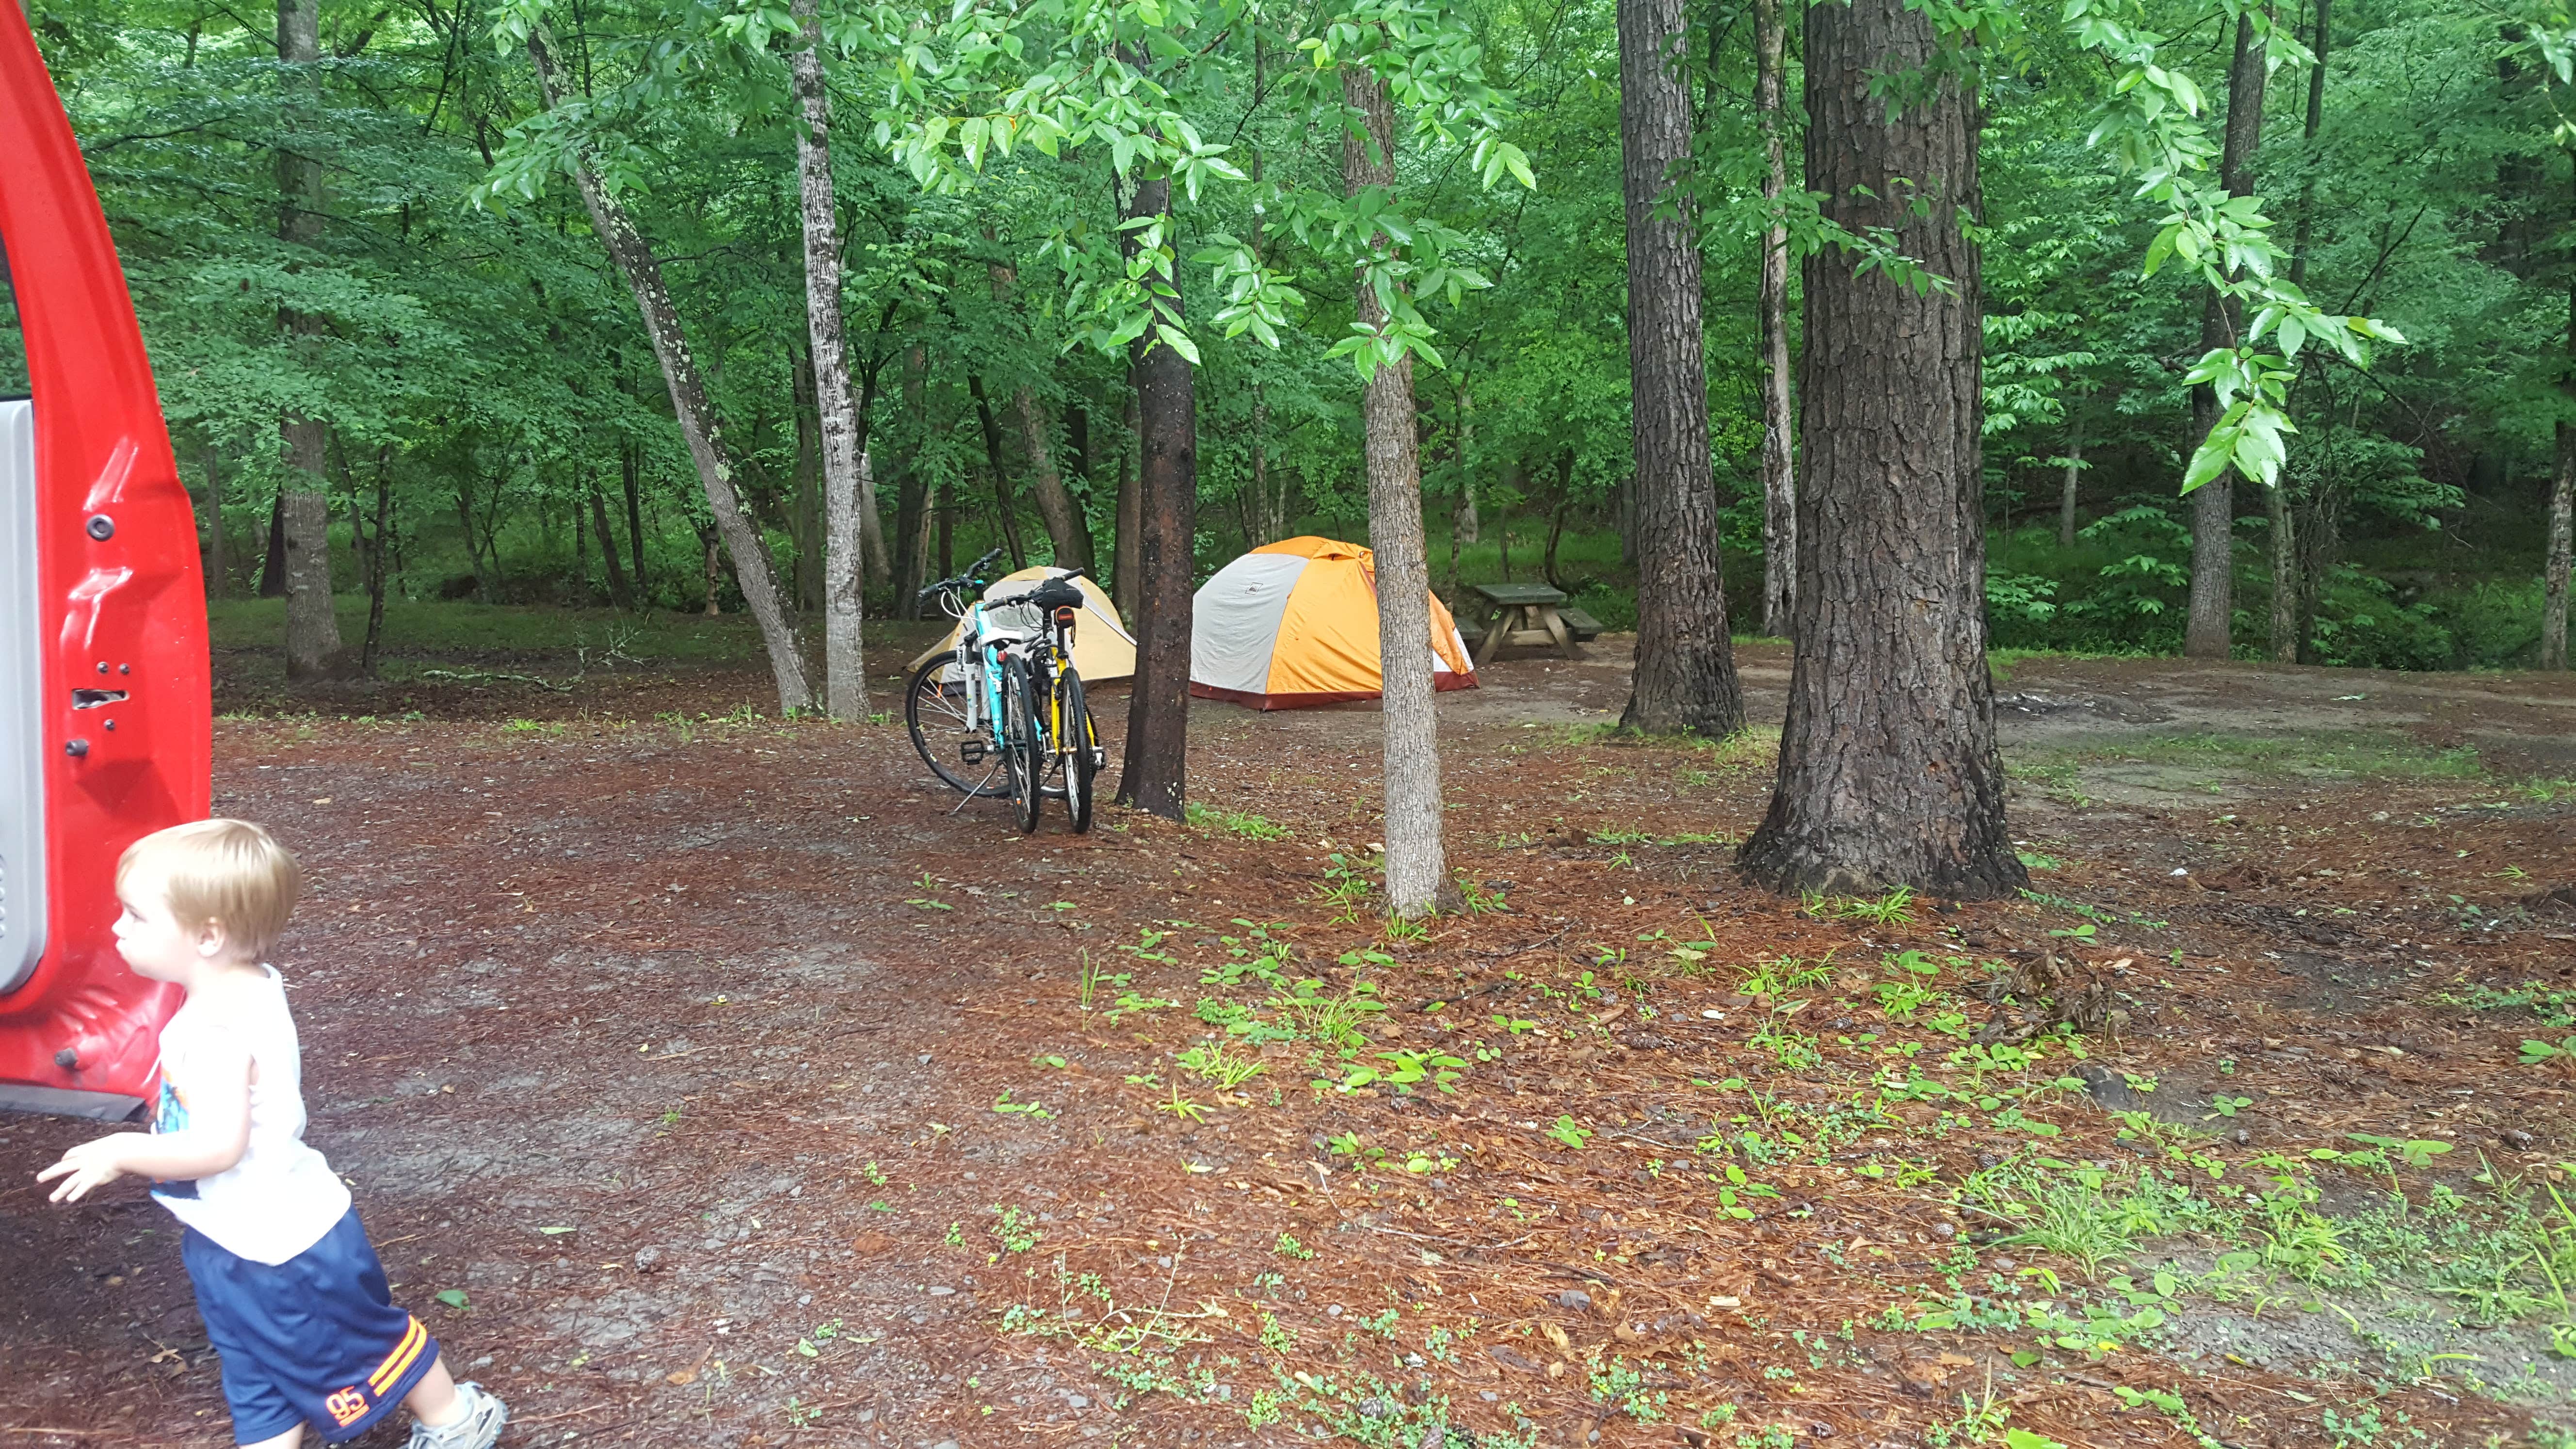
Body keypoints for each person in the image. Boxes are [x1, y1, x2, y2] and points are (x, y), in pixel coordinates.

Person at [37, 819, 507, 1449]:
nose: (118, 927)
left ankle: (456, 1421)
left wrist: (121, 1150)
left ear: (208, 936)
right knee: (257, 1370)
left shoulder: (218, 1034)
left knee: (361, 1346)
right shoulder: (245, 987)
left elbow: (218, 1147)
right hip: (232, 1237)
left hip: (283, 1249)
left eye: (136, 916)